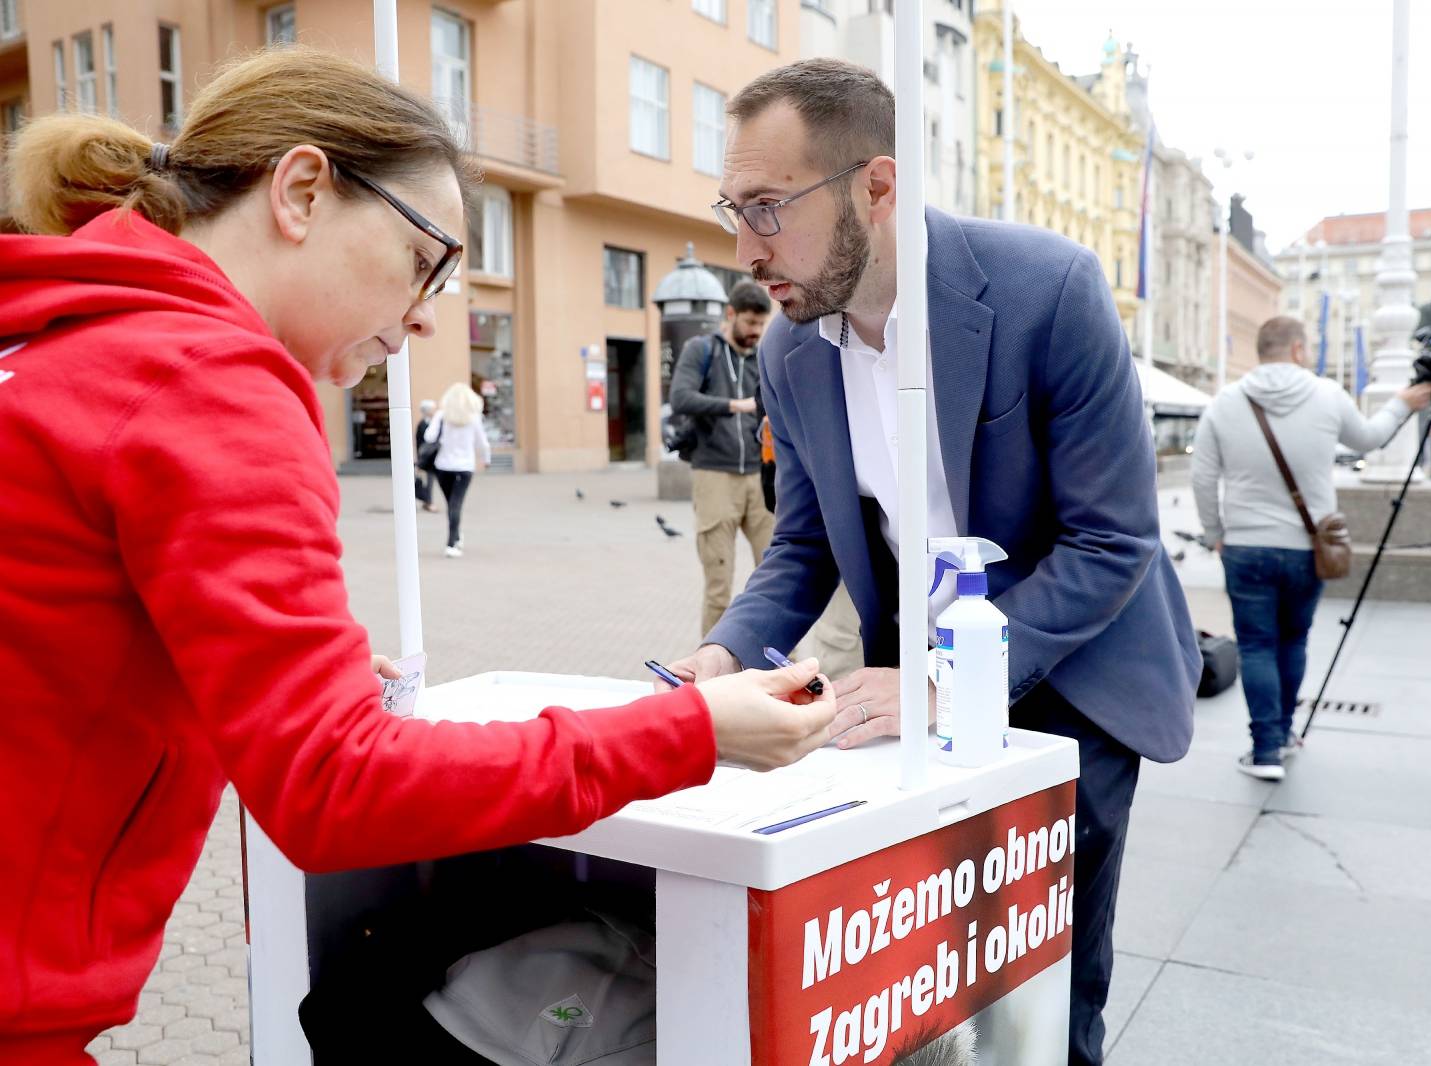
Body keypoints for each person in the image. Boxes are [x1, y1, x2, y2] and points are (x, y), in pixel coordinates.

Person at [0, 46, 837, 1065]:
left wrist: (283, 677)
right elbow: (334, 785)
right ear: (302, 189)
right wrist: (689, 729)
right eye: (426, 259)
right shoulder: (208, 381)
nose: (428, 313)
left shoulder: (71, 338)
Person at [663, 59, 1200, 1066]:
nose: (745, 250)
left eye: (769, 208)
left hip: (1072, 679)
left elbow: (1112, 539)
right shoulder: (790, 350)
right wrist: (721, 658)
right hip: (908, 687)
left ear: (878, 185)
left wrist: (951, 683)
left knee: (1043, 1000)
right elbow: (806, 543)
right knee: (927, 986)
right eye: (734, 209)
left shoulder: (1048, 288)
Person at [1191, 315, 1431, 781]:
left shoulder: (1225, 401)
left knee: (1257, 646)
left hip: (1245, 546)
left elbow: (1203, 476)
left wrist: (1212, 532)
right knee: (1293, 641)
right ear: (1299, 349)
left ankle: (1264, 753)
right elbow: (1370, 439)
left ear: (1262, 350)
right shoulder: (1327, 395)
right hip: (1308, 547)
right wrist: (1402, 403)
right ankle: (1283, 734)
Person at [669, 279, 776, 634]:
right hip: (715, 476)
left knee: (778, 582)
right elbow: (681, 398)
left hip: (762, 478)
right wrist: (735, 405)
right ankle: (712, 676)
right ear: (730, 315)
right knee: (719, 587)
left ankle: (783, 669)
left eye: (761, 324)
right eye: (749, 322)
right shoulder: (702, 350)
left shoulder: (763, 354)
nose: (755, 331)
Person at [425, 382, 491, 557]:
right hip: (464, 468)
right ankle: (453, 541)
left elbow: (428, 436)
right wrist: (487, 459)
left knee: (452, 504)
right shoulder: (474, 417)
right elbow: (482, 443)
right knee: (455, 504)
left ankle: (453, 539)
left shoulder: (441, 415)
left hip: (443, 467)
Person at [415, 397, 441, 512]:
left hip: (433, 456)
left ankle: (427, 501)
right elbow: (420, 444)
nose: (435, 411)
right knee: (428, 480)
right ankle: (429, 502)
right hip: (427, 457)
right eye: (433, 409)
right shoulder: (423, 424)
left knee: (429, 480)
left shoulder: (431, 423)